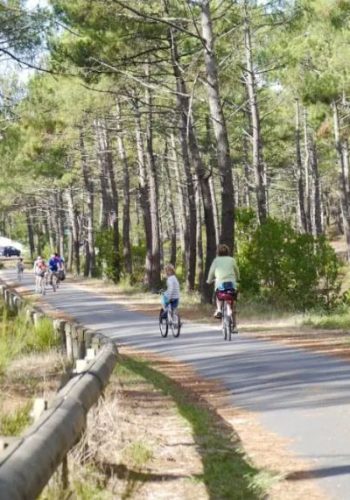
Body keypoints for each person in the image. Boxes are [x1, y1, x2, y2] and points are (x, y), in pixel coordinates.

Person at [206, 244, 240, 322]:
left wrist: (208, 280)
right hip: (231, 283)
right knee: (231, 296)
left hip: (220, 283)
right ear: (228, 252)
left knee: (218, 295)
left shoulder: (216, 260)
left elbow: (211, 272)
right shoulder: (232, 260)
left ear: (218, 252)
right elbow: (237, 270)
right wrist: (238, 278)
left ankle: (219, 310)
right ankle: (230, 311)